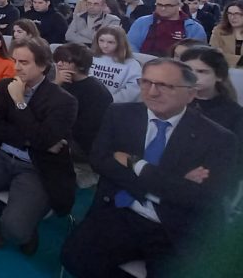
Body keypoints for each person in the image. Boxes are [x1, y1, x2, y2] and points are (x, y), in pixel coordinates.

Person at [60, 59, 238, 278]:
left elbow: (205, 197)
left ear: (190, 94)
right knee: (74, 258)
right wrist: (173, 181)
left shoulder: (218, 138)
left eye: (165, 85)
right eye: (146, 83)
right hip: (122, 211)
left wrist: (138, 165)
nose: (152, 92)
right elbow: (99, 161)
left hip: (172, 226)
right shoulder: (120, 114)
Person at [0, 38, 77, 257]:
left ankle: (20, 227)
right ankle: (8, 215)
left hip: (37, 168)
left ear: (43, 65)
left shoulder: (64, 101)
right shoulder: (5, 86)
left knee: (17, 231)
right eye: (15, 60)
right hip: (3, 155)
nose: (17, 67)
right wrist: (33, 140)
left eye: (25, 62)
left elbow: (44, 139)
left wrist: (20, 102)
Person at [180, 46, 243, 175]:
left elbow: (235, 157)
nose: (193, 76)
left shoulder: (234, 113)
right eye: (188, 71)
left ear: (219, 76)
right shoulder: (172, 103)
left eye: (202, 71)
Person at [53, 43, 112, 159]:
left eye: (65, 61)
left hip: (80, 144)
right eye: (58, 60)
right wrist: (56, 84)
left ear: (80, 65)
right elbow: (39, 105)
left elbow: (86, 130)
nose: (59, 64)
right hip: (62, 133)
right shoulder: (62, 81)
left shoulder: (95, 91)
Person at [128, 0, 207, 56]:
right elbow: (131, 46)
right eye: (159, 5)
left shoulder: (194, 28)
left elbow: (196, 54)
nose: (163, 8)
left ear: (179, 6)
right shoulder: (142, 22)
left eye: (168, 5)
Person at [90, 25, 142, 103]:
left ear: (120, 43)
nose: (105, 45)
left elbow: (133, 88)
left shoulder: (132, 64)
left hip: (115, 106)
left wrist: (110, 100)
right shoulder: (90, 58)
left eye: (110, 42)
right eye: (101, 40)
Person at [209, 3, 243, 67]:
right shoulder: (218, 31)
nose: (232, 17)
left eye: (237, 14)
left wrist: (227, 56)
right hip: (224, 71)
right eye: (229, 13)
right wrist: (240, 60)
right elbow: (214, 54)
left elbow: (222, 55)